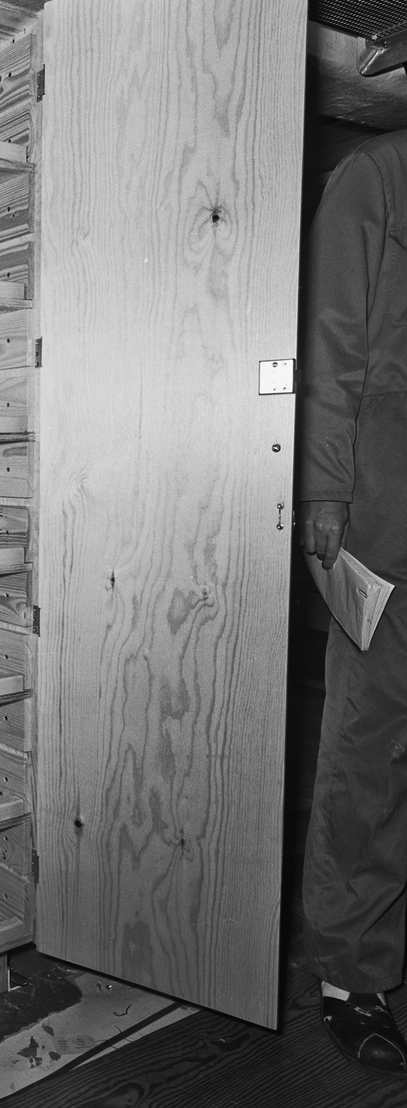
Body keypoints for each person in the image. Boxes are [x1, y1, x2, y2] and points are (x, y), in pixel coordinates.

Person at [299, 128, 407, 1077]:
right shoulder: (376, 177)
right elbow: (330, 340)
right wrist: (325, 489)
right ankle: (351, 970)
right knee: (371, 746)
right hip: (386, 518)